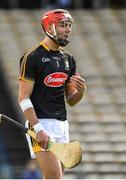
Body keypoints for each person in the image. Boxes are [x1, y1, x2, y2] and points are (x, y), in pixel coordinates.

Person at [18, 9, 86, 179]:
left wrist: (81, 91)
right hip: (41, 124)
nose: (68, 29)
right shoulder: (33, 57)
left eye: (69, 25)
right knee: (55, 178)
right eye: (63, 25)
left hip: (62, 125)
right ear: (50, 27)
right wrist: (38, 128)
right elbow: (23, 98)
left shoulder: (68, 59)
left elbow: (71, 100)